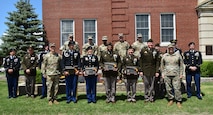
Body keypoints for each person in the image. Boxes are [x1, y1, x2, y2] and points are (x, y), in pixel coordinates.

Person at [160, 44, 184, 108]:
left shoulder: (178, 55)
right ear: (168, 49)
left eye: (172, 48)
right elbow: (162, 65)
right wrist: (162, 73)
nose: (171, 49)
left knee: (177, 88)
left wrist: (181, 73)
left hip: (176, 74)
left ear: (173, 48)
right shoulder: (165, 56)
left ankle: (178, 100)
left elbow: (181, 65)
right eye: (169, 48)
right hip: (167, 74)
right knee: (168, 88)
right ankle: (171, 99)